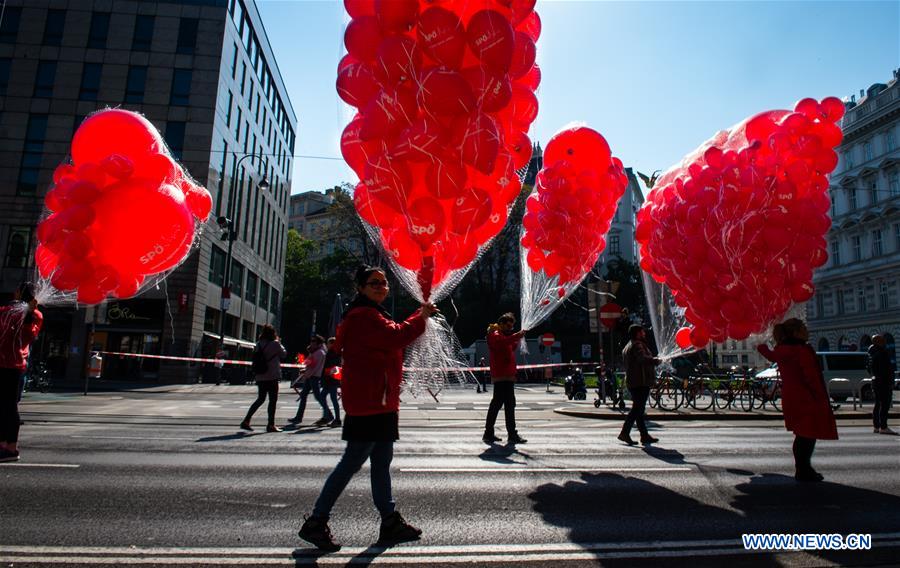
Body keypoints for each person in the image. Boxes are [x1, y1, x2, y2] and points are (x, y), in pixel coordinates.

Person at [298, 266, 437, 552]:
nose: (382, 287)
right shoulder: (363, 316)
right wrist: (420, 316)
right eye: (374, 283)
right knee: (351, 463)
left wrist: (417, 316)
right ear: (361, 287)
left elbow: (392, 335)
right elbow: (394, 337)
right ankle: (316, 520)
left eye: (385, 283)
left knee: (381, 461)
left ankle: (389, 521)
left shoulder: (372, 313)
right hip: (370, 402)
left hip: (381, 401)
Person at [757, 318, 838, 482]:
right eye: (803, 328)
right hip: (807, 396)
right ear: (796, 332)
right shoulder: (801, 350)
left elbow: (768, 354)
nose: (807, 331)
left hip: (792, 396)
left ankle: (802, 467)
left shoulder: (782, 349)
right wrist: (819, 397)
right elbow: (811, 376)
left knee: (802, 434)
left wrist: (760, 341)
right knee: (808, 435)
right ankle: (803, 469)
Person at [1, 282, 43, 462]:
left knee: (7, 406)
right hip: (15, 364)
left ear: (19, 293)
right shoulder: (35, 315)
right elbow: (29, 335)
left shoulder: (8, 312)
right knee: (7, 406)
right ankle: (6, 445)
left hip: (8, 364)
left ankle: (10, 447)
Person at [482, 313, 526, 445]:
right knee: (504, 405)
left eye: (511, 327)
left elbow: (511, 347)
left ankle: (491, 433)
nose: (510, 328)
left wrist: (517, 339)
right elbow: (501, 344)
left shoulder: (501, 335)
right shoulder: (495, 334)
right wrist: (516, 336)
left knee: (503, 405)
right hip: (502, 376)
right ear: (500, 324)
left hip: (505, 375)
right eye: (507, 325)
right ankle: (508, 434)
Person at [240, 324, 286, 433]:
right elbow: (284, 354)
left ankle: (246, 420)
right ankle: (271, 424)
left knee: (260, 399)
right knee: (273, 401)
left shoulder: (259, 344)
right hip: (272, 375)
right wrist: (279, 342)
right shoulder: (275, 343)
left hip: (260, 376)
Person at [618, 324, 660, 445]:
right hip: (640, 381)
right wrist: (655, 361)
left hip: (633, 380)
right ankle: (625, 432)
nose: (644, 334)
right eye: (642, 332)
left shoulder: (629, 345)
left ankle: (644, 435)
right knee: (637, 409)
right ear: (637, 333)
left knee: (639, 410)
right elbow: (642, 359)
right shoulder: (637, 345)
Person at [288, 335, 333, 427]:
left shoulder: (319, 352)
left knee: (317, 397)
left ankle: (329, 414)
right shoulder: (316, 351)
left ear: (318, 343)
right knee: (305, 396)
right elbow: (310, 363)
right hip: (311, 376)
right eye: (311, 341)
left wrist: (307, 372)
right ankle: (299, 416)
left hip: (314, 377)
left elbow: (315, 366)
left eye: (313, 341)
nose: (311, 343)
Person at [867, 335, 896, 435]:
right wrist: (890, 382)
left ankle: (876, 426)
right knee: (884, 405)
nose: (884, 341)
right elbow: (886, 369)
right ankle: (883, 427)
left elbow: (868, 368)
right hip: (883, 382)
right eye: (882, 340)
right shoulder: (882, 353)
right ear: (878, 341)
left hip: (875, 381)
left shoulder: (871, 353)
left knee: (878, 404)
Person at [320, 337, 342, 428]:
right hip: (331, 379)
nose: (327, 345)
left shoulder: (332, 353)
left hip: (330, 379)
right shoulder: (335, 352)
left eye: (328, 343)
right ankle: (331, 417)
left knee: (329, 398)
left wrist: (325, 373)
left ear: (332, 344)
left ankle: (335, 418)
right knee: (326, 397)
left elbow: (330, 366)